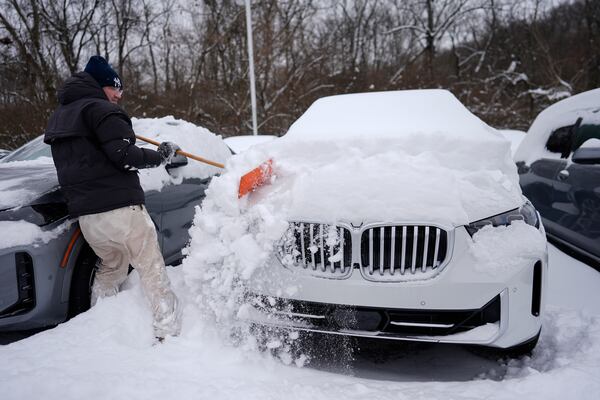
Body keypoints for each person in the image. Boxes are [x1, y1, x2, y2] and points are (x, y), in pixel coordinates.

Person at [44, 55, 181, 341]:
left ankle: (101, 326)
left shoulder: (61, 116)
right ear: (102, 86)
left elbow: (96, 155)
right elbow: (123, 155)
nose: (119, 96)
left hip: (88, 216)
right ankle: (168, 331)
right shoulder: (102, 110)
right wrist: (161, 156)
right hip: (120, 209)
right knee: (150, 264)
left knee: (112, 266)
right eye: (115, 89)